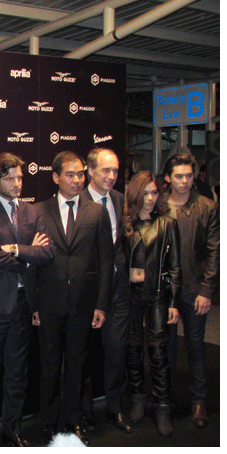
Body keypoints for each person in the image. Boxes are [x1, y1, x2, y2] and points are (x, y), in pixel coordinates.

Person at [0, 152, 55, 447]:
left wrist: (16, 249)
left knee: (17, 372)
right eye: (10, 178)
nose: (18, 183)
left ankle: (12, 430)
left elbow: (47, 252)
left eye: (20, 177)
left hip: (23, 303)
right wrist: (29, 253)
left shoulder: (32, 211)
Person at [34, 151, 113, 446]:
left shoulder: (97, 212)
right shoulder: (38, 211)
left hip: (84, 303)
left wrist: (101, 304)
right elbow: (32, 263)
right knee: (49, 365)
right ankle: (48, 422)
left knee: (78, 366)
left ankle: (73, 422)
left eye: (80, 173)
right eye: (70, 174)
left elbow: (106, 261)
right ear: (56, 177)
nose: (78, 179)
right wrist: (34, 305)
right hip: (49, 303)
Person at [122, 170, 181, 438]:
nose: (150, 198)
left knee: (158, 351)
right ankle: (137, 397)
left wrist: (174, 301)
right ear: (136, 194)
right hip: (131, 295)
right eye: (145, 193)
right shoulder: (127, 224)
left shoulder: (168, 224)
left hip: (157, 294)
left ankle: (163, 406)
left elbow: (175, 266)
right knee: (133, 349)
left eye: (154, 192)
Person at [163, 154, 219, 429]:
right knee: (167, 346)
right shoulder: (159, 205)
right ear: (168, 178)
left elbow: (214, 251)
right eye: (179, 176)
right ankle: (166, 399)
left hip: (195, 289)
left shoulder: (207, 206)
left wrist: (207, 290)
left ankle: (199, 402)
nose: (184, 181)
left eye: (188, 175)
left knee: (196, 345)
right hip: (166, 291)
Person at [81, 148, 133, 433]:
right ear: (90, 171)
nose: (112, 176)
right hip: (89, 290)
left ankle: (115, 407)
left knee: (117, 349)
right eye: (105, 170)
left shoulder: (118, 199)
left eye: (115, 171)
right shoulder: (78, 201)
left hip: (118, 288)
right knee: (86, 352)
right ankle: (85, 410)